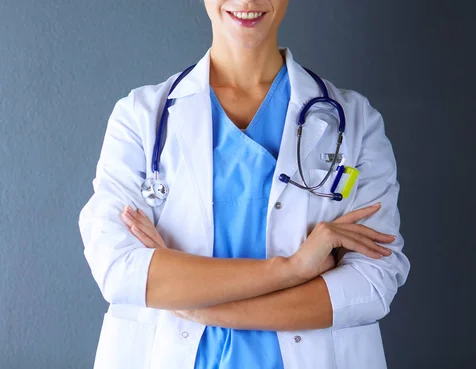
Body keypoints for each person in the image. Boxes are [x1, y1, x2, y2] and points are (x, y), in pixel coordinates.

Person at [78, 1, 410, 368]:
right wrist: (293, 269)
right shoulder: (141, 118)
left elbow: (373, 282)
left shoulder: (356, 123)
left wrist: (196, 305)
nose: (247, 2)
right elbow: (120, 269)